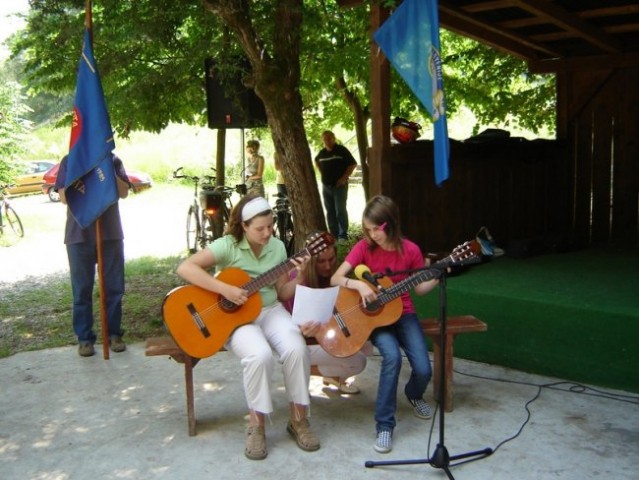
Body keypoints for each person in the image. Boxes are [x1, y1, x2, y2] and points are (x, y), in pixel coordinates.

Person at [175, 194, 319, 460]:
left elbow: (283, 293)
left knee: (297, 348)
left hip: (270, 310)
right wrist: (225, 289)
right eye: (259, 228)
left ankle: (298, 419)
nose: (267, 233)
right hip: (236, 317)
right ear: (244, 226)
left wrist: (299, 274)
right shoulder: (227, 246)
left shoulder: (277, 247)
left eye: (270, 226)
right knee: (259, 355)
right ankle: (256, 426)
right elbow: (186, 268)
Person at [330, 195, 438, 454]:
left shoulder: (410, 250)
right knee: (392, 358)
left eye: (375, 229)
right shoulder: (364, 248)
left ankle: (413, 393)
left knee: (423, 369)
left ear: (390, 224)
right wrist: (356, 283)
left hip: (404, 313)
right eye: (367, 229)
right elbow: (336, 278)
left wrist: (437, 274)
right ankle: (385, 426)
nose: (371, 234)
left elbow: (420, 289)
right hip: (375, 318)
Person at [56, 152, 130, 357]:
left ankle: (114, 334)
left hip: (110, 234)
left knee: (114, 289)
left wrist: (105, 168)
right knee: (81, 291)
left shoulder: (113, 159)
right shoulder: (69, 161)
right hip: (78, 235)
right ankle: (85, 339)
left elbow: (124, 192)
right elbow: (63, 197)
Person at [283, 233, 371, 395]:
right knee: (358, 361)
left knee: (365, 346)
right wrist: (302, 331)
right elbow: (288, 324)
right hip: (301, 343)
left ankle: (334, 377)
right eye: (321, 261)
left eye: (331, 259)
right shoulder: (297, 279)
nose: (328, 266)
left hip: (325, 336)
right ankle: (298, 371)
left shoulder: (334, 276)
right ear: (310, 262)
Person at [314, 130, 357, 243]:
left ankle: (343, 235)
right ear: (322, 140)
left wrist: (344, 178)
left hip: (339, 187)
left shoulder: (341, 150)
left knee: (340, 210)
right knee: (330, 211)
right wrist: (322, 173)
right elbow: (316, 161)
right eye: (325, 139)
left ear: (334, 138)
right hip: (326, 187)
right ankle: (334, 235)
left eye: (329, 138)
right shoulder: (322, 153)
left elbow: (353, 164)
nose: (327, 140)